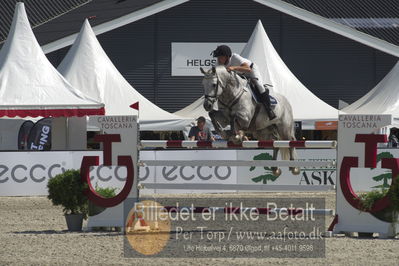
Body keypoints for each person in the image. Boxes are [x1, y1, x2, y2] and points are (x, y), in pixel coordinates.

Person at [211, 45, 276, 120]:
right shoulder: (218, 64)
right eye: (218, 57)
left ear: (227, 57)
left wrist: (233, 67)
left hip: (251, 70)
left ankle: (269, 110)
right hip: (239, 75)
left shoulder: (235, 57)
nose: (218, 59)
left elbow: (248, 69)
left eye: (220, 57)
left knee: (259, 85)